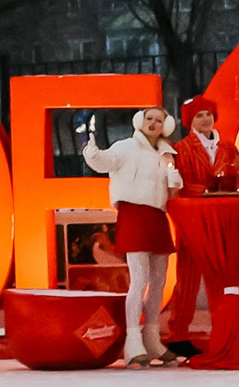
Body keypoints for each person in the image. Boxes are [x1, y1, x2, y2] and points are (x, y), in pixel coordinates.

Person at [79, 107, 184, 366]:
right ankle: (133, 340)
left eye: (158, 120)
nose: (153, 123)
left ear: (166, 126)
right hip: (133, 214)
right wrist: (91, 152)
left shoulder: (167, 154)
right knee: (140, 280)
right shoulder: (126, 147)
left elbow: (172, 193)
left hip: (158, 217)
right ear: (140, 121)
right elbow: (104, 161)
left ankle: (152, 337)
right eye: (149, 118)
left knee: (159, 282)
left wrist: (175, 183)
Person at [163, 93, 239, 355]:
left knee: (219, 278)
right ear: (190, 121)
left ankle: (223, 330)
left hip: (222, 222)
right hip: (193, 220)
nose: (205, 119)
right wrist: (205, 192)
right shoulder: (181, 149)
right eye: (199, 115)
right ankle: (178, 334)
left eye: (209, 115)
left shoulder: (228, 148)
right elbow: (179, 184)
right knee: (187, 279)